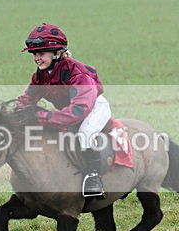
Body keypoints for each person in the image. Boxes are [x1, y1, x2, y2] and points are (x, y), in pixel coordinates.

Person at [15, 23, 110, 197]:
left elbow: (78, 111)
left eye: (41, 53)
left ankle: (94, 178)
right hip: (69, 110)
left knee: (86, 133)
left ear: (57, 53)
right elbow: (27, 99)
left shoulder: (78, 73)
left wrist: (40, 116)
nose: (37, 58)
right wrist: (16, 114)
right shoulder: (40, 75)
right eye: (35, 54)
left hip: (92, 108)